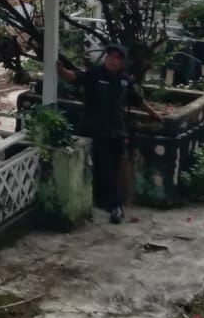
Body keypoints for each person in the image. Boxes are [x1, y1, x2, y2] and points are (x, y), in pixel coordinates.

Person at [56, 44, 160, 224]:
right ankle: (115, 206)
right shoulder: (95, 74)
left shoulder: (125, 80)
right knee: (105, 168)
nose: (112, 60)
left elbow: (137, 101)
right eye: (110, 56)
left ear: (122, 62)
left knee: (111, 169)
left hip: (117, 132)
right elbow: (74, 77)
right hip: (96, 131)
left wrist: (154, 114)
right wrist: (60, 70)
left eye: (117, 58)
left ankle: (101, 199)